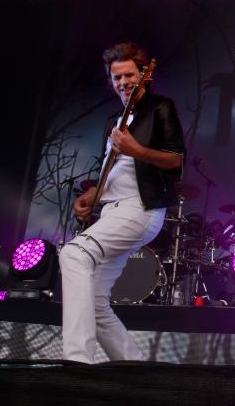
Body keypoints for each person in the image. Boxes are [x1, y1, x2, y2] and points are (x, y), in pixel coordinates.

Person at [59, 42, 186, 362]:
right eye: (117, 78)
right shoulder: (114, 120)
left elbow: (175, 161)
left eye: (129, 75)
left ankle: (76, 361)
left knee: (74, 254)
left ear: (144, 75)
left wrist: (136, 150)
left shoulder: (160, 108)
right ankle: (135, 368)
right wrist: (92, 196)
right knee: (97, 304)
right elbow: (112, 169)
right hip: (113, 210)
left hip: (140, 209)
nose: (123, 83)